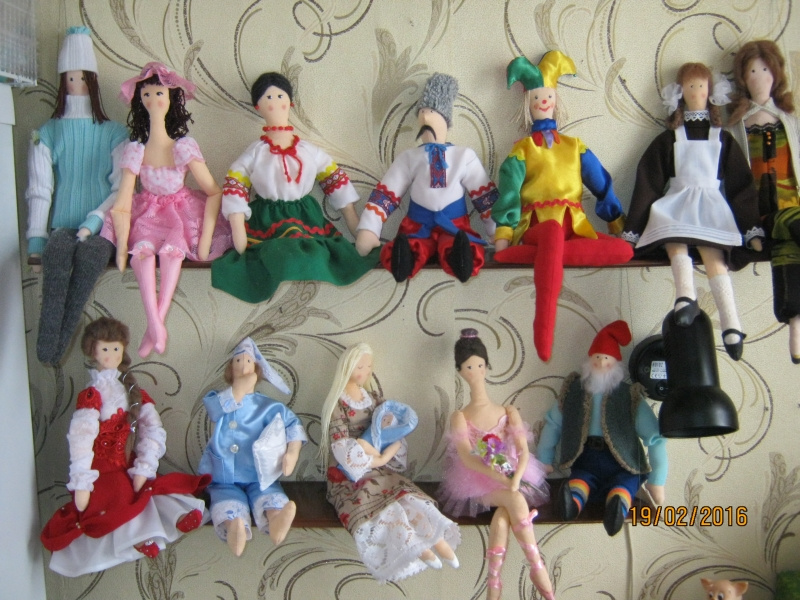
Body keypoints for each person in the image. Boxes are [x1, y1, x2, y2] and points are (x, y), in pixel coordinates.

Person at [493, 51, 633, 362]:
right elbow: (509, 191)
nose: (543, 101)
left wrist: (615, 220)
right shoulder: (522, 150)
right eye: (536, 97)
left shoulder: (574, 146)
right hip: (536, 228)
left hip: (575, 228)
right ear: (528, 103)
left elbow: (600, 182)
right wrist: (504, 232)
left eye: (548, 96)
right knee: (552, 232)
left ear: (556, 99)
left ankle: (532, 257)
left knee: (625, 251)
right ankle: (543, 334)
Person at [40, 317, 209, 577]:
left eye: (117, 348)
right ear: (92, 351)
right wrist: (82, 482)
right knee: (120, 497)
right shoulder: (92, 395)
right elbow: (80, 439)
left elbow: (153, 428)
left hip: (124, 465)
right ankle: (138, 539)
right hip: (100, 472)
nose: (112, 354)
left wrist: (145, 464)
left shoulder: (132, 392)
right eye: (105, 348)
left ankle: (175, 517)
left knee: (151, 487)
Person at [623, 62, 764, 360]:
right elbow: (648, 182)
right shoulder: (669, 138)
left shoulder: (722, 138)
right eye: (690, 86)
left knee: (714, 256)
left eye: (701, 86)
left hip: (711, 205)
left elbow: (741, 185)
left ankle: (731, 322)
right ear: (680, 93)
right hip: (676, 201)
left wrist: (751, 229)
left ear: (710, 92)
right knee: (673, 236)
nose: (696, 92)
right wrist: (632, 231)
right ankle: (685, 295)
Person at [100, 62, 232, 358]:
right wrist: (121, 248)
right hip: (148, 211)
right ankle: (155, 323)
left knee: (173, 254)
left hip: (180, 211)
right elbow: (123, 201)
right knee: (143, 254)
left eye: (159, 93)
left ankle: (156, 325)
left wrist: (205, 240)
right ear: (139, 100)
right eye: (146, 94)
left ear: (171, 98)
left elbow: (213, 192)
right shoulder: (136, 149)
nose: (152, 99)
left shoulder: (183, 146)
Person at [211, 72, 379, 303]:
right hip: (266, 217)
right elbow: (236, 181)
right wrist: (237, 221)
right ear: (258, 106)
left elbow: (333, 177)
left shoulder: (308, 150)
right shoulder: (256, 152)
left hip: (305, 215)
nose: (275, 102)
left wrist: (351, 217)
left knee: (314, 252)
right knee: (276, 254)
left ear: (290, 102)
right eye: (268, 97)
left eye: (280, 96)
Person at [26, 26, 129, 365]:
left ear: (92, 81)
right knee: (56, 259)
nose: (76, 84)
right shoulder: (48, 132)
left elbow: (121, 189)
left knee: (89, 261)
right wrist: (37, 240)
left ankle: (57, 348)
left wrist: (96, 219)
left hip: (103, 227)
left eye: (82, 78)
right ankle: (48, 347)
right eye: (70, 78)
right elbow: (40, 189)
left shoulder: (114, 133)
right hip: (63, 224)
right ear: (62, 82)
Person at [319, 342, 460, 583]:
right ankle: (417, 549)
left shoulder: (373, 398)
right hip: (351, 473)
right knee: (386, 508)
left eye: (368, 366)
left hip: (380, 467)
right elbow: (341, 445)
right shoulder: (337, 405)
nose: (365, 371)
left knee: (407, 497)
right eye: (360, 366)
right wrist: (373, 457)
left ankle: (438, 541)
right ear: (347, 367)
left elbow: (389, 430)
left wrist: (386, 448)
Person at [439, 329, 553, 600]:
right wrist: (503, 479)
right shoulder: (460, 417)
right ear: (460, 371)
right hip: (478, 481)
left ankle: (493, 585)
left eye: (480, 365)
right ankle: (537, 566)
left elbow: (523, 450)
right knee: (515, 500)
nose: (476, 371)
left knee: (501, 521)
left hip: (512, 473)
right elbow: (467, 457)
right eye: (469, 367)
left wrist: (516, 476)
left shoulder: (507, 411)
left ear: (487, 367)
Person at [355, 73, 498, 282]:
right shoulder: (409, 158)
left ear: (445, 120)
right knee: (412, 246)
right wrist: (370, 227)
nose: (425, 118)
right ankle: (404, 259)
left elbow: (484, 194)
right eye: (422, 112)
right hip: (417, 226)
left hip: (454, 225)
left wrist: (497, 230)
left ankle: (460, 257)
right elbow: (387, 193)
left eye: (431, 112)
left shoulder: (464, 156)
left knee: (456, 244)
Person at [536, 321, 667, 536]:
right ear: (589, 361)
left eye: (606, 358)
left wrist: (657, 480)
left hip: (623, 462)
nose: (601, 362)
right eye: (597, 357)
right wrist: (544, 460)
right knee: (580, 478)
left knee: (626, 481)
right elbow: (554, 423)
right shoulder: (573, 392)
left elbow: (654, 437)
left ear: (615, 364)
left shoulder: (629, 396)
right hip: (585, 458)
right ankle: (572, 503)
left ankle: (617, 505)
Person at [199, 337, 306, 556]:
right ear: (230, 369)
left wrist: (292, 452)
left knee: (269, 495)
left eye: (248, 361)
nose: (242, 366)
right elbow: (214, 411)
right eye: (237, 361)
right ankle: (234, 527)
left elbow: (292, 425)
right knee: (226, 501)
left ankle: (276, 520)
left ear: (256, 369)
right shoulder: (218, 399)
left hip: (260, 475)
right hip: (224, 475)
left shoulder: (266, 406)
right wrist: (238, 390)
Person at [728, 40, 800, 364]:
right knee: (788, 230)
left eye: (765, 69)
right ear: (743, 79)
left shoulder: (790, 121)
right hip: (757, 215)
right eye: (752, 71)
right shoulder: (737, 126)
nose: (759, 77)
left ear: (777, 73)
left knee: (788, 249)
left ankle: (796, 329)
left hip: (790, 204)